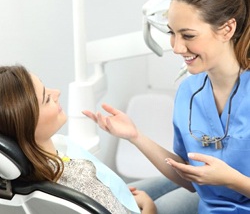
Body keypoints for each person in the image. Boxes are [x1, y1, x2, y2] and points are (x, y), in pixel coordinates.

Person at [83, 0, 250, 213]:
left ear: (227, 29)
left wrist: (230, 179)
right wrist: (135, 136)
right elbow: (191, 181)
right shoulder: (188, 93)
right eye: (172, 32)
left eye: (188, 35)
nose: (176, 47)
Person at [0, 65, 156, 214]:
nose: (57, 92)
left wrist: (105, 192)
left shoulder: (16, 180)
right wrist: (150, 207)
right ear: (27, 124)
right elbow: (86, 187)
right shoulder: (80, 180)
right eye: (46, 98)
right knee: (179, 188)